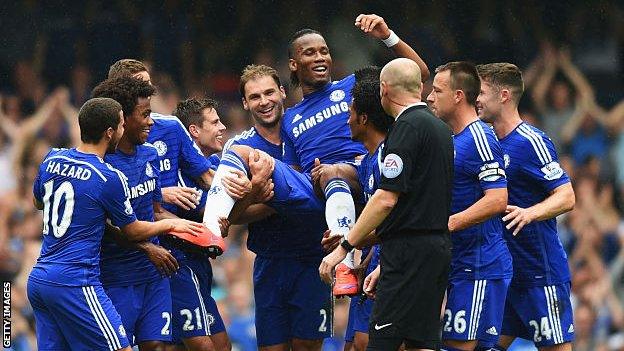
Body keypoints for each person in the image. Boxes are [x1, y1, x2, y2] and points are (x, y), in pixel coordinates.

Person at [27, 97, 203, 351]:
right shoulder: (108, 177)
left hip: (40, 280)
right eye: (120, 125)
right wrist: (171, 225)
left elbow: (38, 202)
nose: (123, 131)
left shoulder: (53, 158)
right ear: (110, 132)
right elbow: (133, 231)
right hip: (76, 281)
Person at [283, 14, 430, 296]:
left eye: (324, 51)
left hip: (371, 175)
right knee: (359, 341)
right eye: (309, 52)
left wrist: (387, 36)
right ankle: (347, 264)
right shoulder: (289, 119)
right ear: (293, 64)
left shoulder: (353, 85)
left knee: (333, 172)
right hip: (326, 195)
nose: (320, 57)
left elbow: (418, 75)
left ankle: (345, 262)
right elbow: (293, 172)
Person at [319, 58, 453, 351]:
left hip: (406, 253)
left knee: (380, 343)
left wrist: (344, 248)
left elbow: (386, 199)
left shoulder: (404, 129)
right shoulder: (440, 129)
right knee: (422, 344)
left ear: (384, 89)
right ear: (419, 88)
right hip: (435, 248)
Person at [220, 64, 331, 350]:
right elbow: (230, 217)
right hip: (270, 263)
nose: (264, 101)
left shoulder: (309, 132)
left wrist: (269, 197)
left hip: (312, 260)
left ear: (282, 92)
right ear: (245, 103)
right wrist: (257, 192)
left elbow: (323, 194)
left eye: (270, 92)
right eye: (255, 96)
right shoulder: (238, 148)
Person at [476, 63, 576, 351]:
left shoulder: (531, 141)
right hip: (504, 275)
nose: (477, 99)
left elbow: (567, 196)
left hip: (539, 274)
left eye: (482, 92)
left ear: (504, 95)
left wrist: (530, 213)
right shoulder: (487, 142)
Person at [91, 76, 193, 350]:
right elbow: (102, 226)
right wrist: (147, 247)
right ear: (124, 118)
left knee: (159, 347)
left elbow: (156, 212)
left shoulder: (148, 153)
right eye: (145, 114)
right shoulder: (103, 165)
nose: (151, 121)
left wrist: (201, 233)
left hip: (154, 275)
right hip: (117, 277)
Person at [426, 62, 512, 351]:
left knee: (456, 346)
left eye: (437, 91)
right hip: (460, 261)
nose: (429, 97)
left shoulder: (480, 136)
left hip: (479, 264)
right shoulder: (452, 138)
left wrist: (447, 224)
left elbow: (498, 199)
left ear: (459, 96)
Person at [313, 66, 390, 351]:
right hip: (372, 263)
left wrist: (347, 244)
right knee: (353, 346)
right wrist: (363, 260)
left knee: (368, 343)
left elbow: (398, 221)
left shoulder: (389, 158)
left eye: (350, 112)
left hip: (394, 266)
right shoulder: (368, 161)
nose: (346, 119)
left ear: (363, 118)